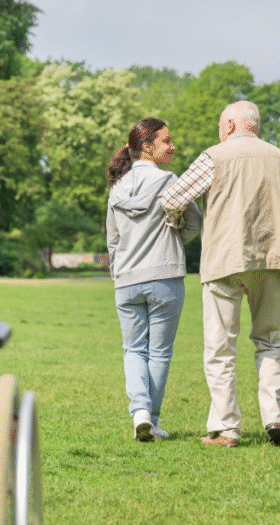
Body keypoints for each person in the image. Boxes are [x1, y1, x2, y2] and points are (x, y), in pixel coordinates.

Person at [160, 101, 280, 448]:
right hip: (273, 260)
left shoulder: (214, 156)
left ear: (229, 125)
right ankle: (273, 417)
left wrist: (180, 225)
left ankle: (227, 429)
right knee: (268, 341)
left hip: (224, 261)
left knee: (220, 347)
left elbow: (172, 198)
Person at [106, 117, 202, 442]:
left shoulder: (118, 187)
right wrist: (174, 240)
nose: (173, 146)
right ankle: (153, 421)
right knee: (159, 352)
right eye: (166, 141)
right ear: (146, 147)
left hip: (126, 280)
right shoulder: (171, 181)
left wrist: (120, 273)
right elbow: (194, 223)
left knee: (133, 350)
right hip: (166, 276)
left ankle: (140, 413)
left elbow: (113, 241)